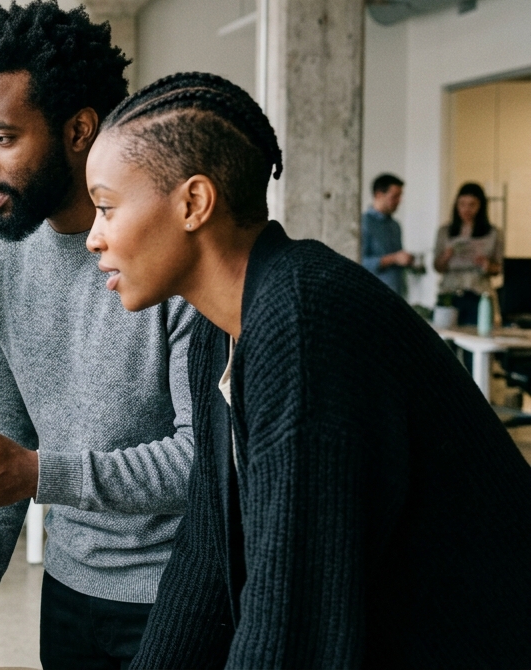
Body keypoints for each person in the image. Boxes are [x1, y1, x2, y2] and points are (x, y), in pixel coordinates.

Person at [83, 71, 531, 667]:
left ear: (194, 202)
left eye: (107, 208)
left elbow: (294, 622)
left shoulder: (302, 322)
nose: (94, 238)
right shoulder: (220, 329)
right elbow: (207, 557)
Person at [0, 0, 196, 670]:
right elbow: (0, 436)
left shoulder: (174, 255)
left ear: (79, 130)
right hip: (65, 588)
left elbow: (208, 455)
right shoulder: (0, 260)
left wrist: (36, 474)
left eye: (2, 138)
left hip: (180, 595)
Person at [435, 181, 504, 325]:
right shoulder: (445, 231)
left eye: (472, 205)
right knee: (446, 339)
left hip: (478, 292)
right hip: (450, 292)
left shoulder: (493, 233)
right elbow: (437, 266)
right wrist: (446, 256)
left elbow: (499, 268)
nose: (466, 209)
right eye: (462, 204)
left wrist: (486, 264)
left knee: (476, 338)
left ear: (481, 206)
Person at [360, 173, 413, 297]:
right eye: (394, 196)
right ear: (379, 195)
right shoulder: (363, 223)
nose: (399, 201)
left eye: (400, 196)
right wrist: (394, 258)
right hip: (373, 296)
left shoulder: (395, 225)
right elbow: (359, 262)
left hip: (397, 294)